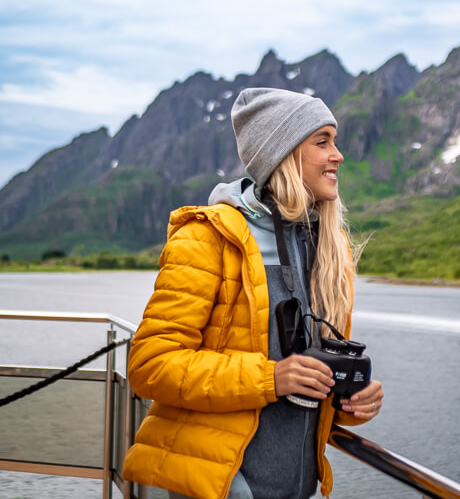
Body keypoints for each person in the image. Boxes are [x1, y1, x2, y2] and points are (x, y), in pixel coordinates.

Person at [122, 88, 383, 499]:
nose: (339, 155)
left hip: (297, 490)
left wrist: (352, 401)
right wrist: (271, 378)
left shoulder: (329, 251)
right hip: (223, 489)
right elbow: (150, 365)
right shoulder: (207, 240)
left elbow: (308, 385)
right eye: (323, 141)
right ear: (284, 153)